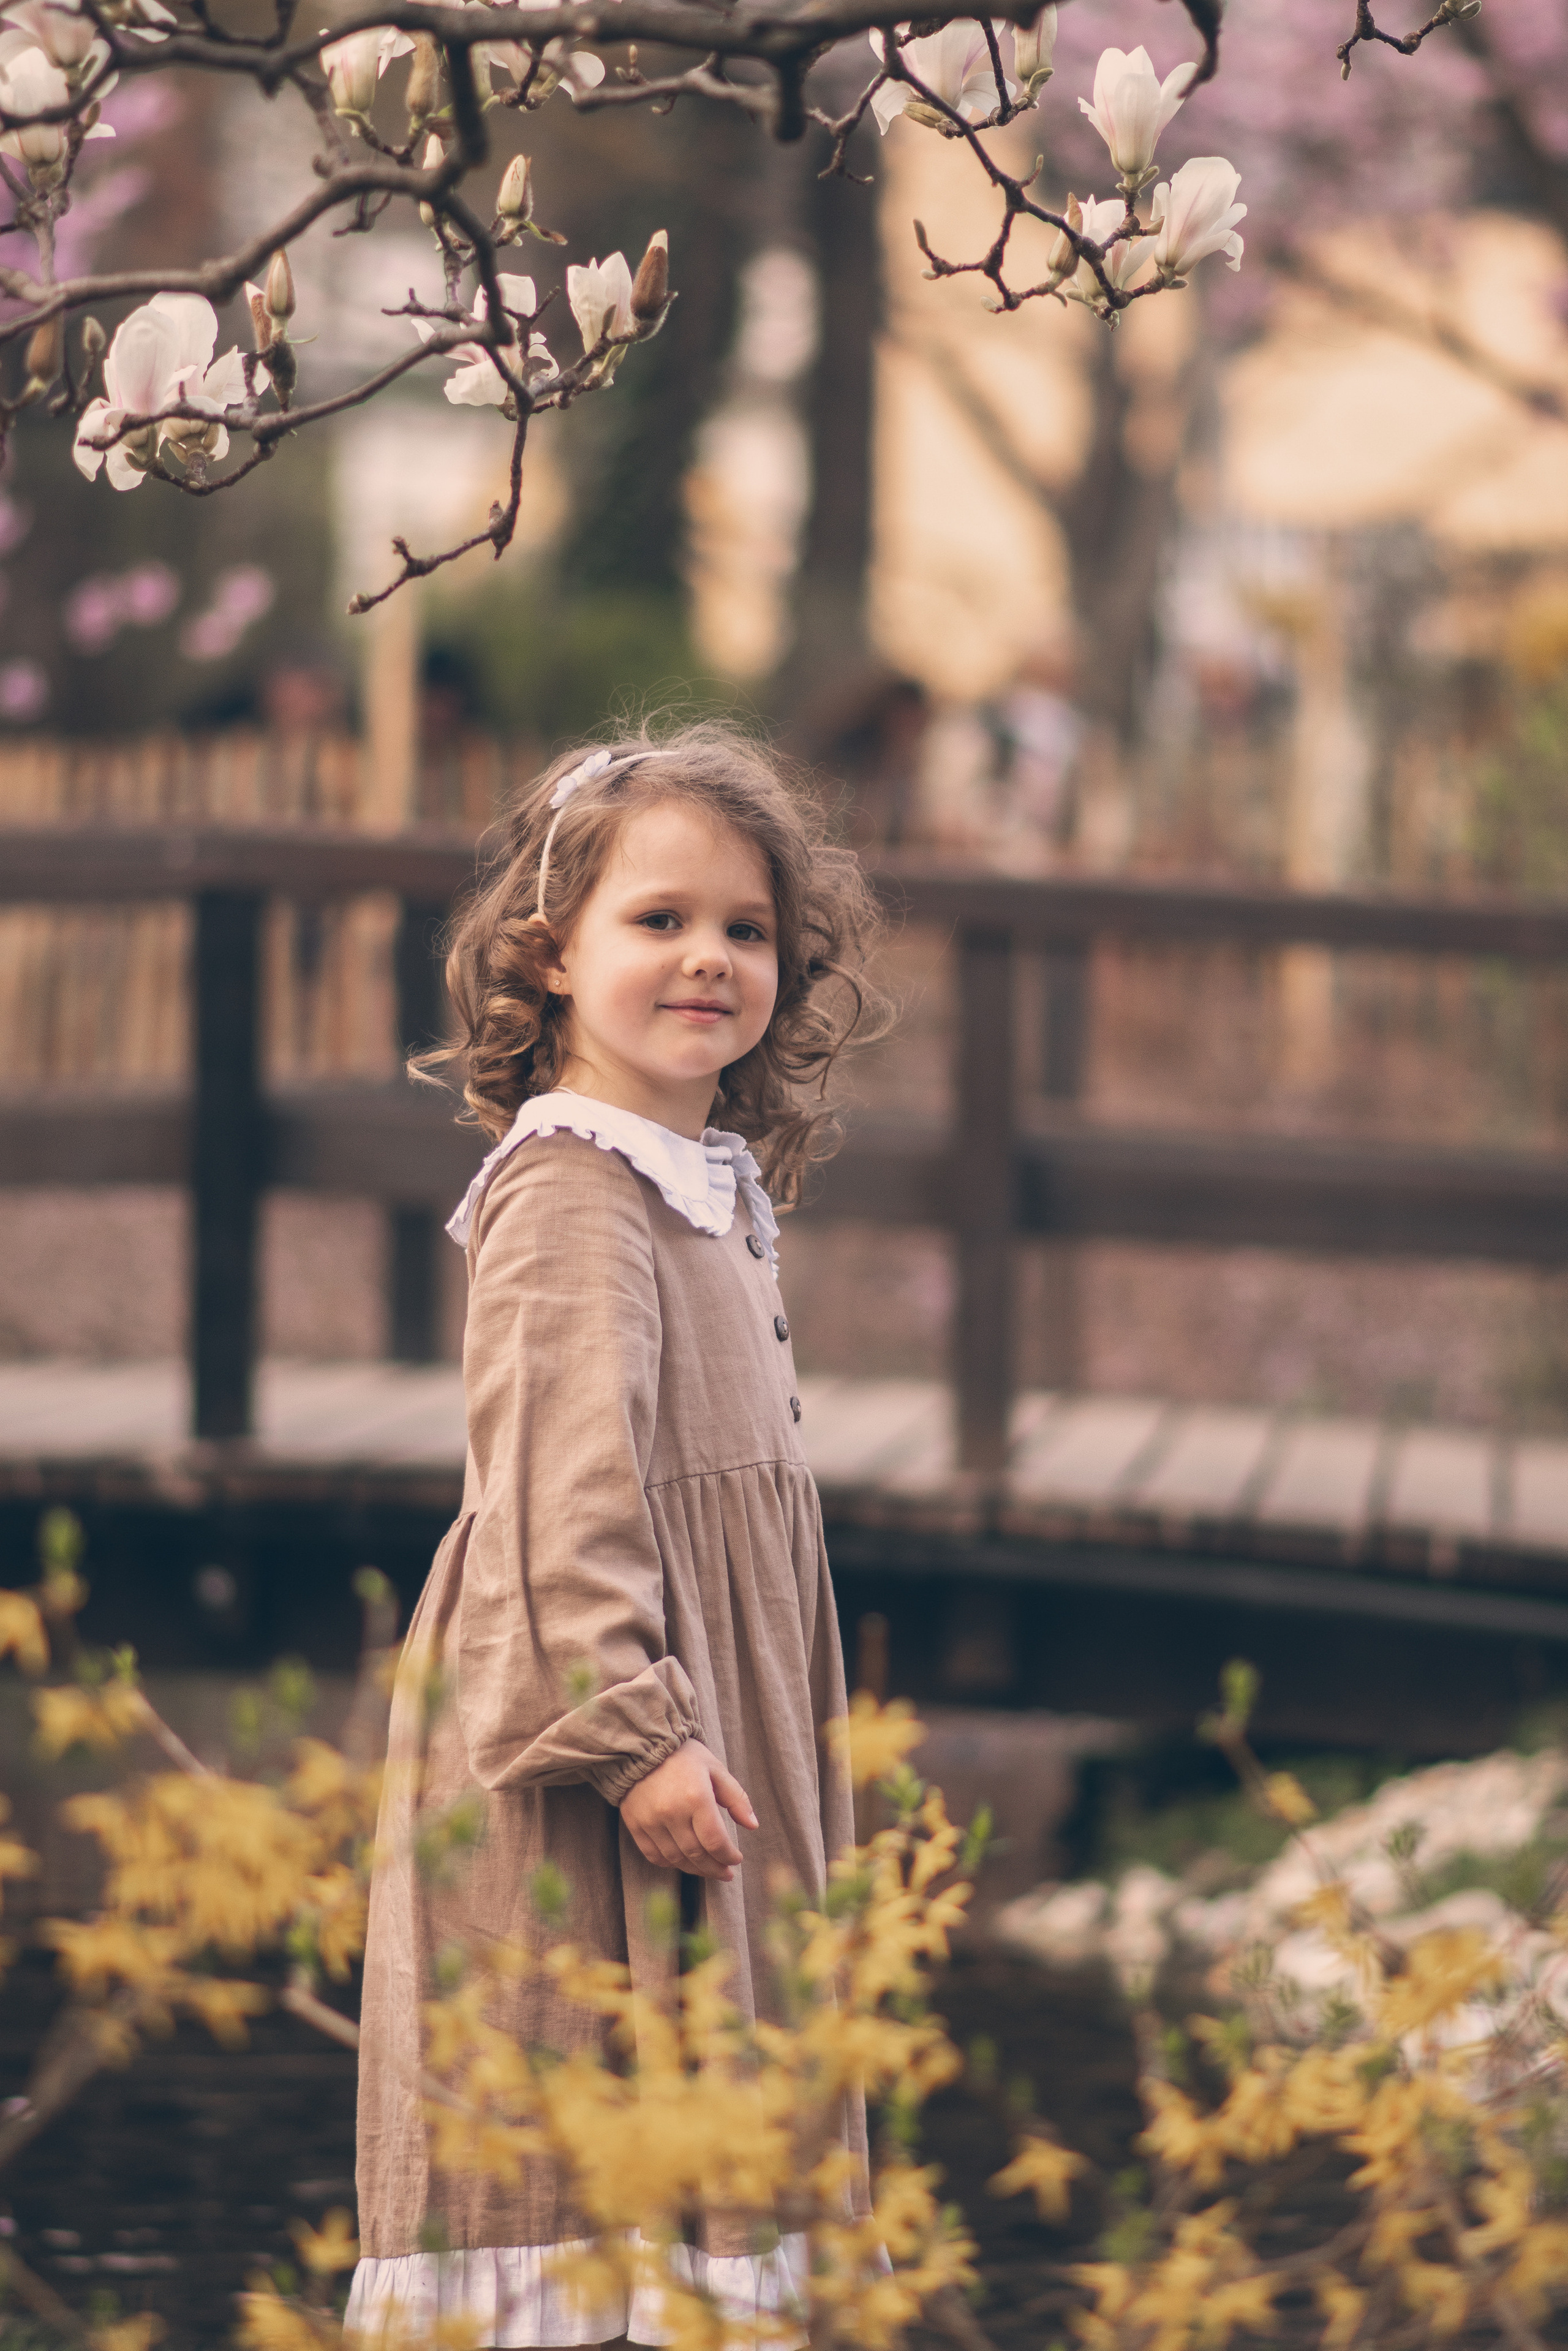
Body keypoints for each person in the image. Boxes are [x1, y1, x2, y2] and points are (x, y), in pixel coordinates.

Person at [346, 718, 885, 2350]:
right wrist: (638, 1733)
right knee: (588, 2086)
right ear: (551, 954)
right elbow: (557, 1492)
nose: (707, 959)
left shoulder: (692, 1178)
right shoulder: (574, 1189)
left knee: (716, 2095)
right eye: (657, 921)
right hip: (609, 1738)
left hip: (712, 1702)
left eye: (745, 930)